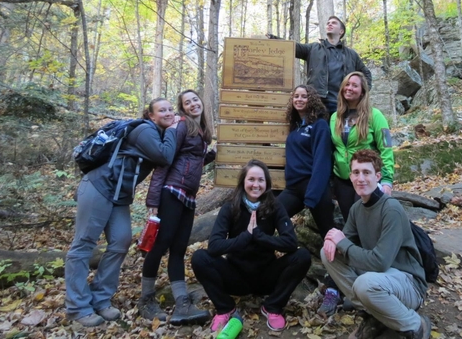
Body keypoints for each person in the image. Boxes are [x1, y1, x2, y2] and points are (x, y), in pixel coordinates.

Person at [65, 98, 178, 328]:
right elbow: (164, 156)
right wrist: (175, 130)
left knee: (120, 242)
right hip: (98, 186)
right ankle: (78, 307)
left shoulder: (158, 132)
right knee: (84, 244)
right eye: (162, 110)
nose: (168, 113)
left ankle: (101, 298)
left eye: (170, 109)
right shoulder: (145, 130)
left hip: (120, 196)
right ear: (151, 115)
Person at [191, 159, 311, 333]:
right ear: (243, 182)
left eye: (261, 180)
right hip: (236, 276)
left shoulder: (275, 207)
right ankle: (225, 308)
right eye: (251, 180)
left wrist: (260, 237)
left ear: (267, 183)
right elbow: (214, 247)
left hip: (266, 276)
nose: (256, 185)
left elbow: (291, 243)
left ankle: (273, 306)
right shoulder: (230, 208)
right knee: (200, 258)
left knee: (303, 256)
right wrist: (245, 237)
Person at [322, 149, 431, 339]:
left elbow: (380, 261)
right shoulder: (357, 209)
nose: (361, 178)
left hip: (408, 283)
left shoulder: (391, 209)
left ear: (377, 176)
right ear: (350, 176)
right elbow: (344, 243)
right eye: (356, 173)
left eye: (366, 173)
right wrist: (332, 240)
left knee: (365, 284)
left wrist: (342, 243)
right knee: (327, 254)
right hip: (379, 279)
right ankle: (374, 313)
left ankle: (415, 324)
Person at [318, 71, 394, 317]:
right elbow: (333, 150)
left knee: (361, 231)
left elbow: (386, 147)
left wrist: (388, 180)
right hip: (342, 180)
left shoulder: (375, 115)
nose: (350, 88)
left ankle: (361, 286)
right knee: (349, 228)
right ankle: (339, 287)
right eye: (347, 84)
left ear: (362, 90)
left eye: (355, 85)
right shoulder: (335, 117)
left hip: (366, 182)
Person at [138, 90, 216, 325]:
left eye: (195, 99)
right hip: (172, 191)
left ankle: (182, 303)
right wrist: (152, 201)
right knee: (161, 244)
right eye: (187, 102)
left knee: (180, 248)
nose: (193, 104)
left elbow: (190, 160)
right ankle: (146, 298)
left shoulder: (201, 131)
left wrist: (210, 157)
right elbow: (165, 163)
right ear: (183, 108)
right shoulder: (181, 124)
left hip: (189, 197)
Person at [267, 15, 372, 113]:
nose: (330, 24)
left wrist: (360, 92)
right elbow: (292, 47)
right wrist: (273, 39)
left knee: (339, 133)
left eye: (334, 23)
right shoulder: (314, 48)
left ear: (341, 31)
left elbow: (366, 74)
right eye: (328, 23)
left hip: (343, 104)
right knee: (318, 132)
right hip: (318, 102)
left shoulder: (351, 55)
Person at [277, 85, 334, 238]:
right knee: (270, 214)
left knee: (328, 232)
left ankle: (341, 260)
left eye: (304, 96)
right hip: (293, 188)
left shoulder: (319, 125)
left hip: (314, 185)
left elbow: (322, 161)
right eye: (296, 96)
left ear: (312, 100)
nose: (299, 99)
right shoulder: (295, 127)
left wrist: (312, 195)